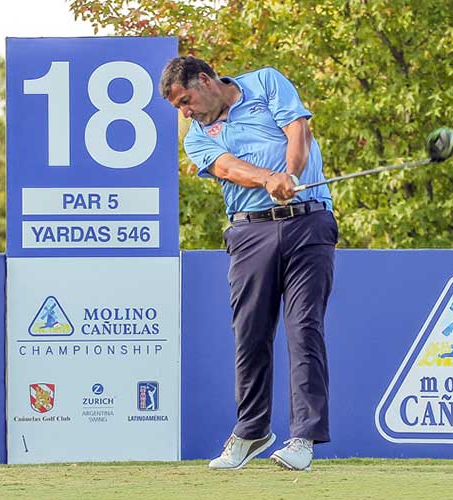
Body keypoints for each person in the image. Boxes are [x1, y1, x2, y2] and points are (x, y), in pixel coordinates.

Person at [159, 56, 336, 472]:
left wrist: (289, 174)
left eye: (186, 100)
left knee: (303, 328)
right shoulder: (197, 137)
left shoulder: (266, 82)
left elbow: (298, 130)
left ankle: (303, 439)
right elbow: (227, 168)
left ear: (205, 80)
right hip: (250, 231)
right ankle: (253, 431)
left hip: (309, 221)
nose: (186, 112)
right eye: (179, 108)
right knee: (250, 334)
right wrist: (267, 179)